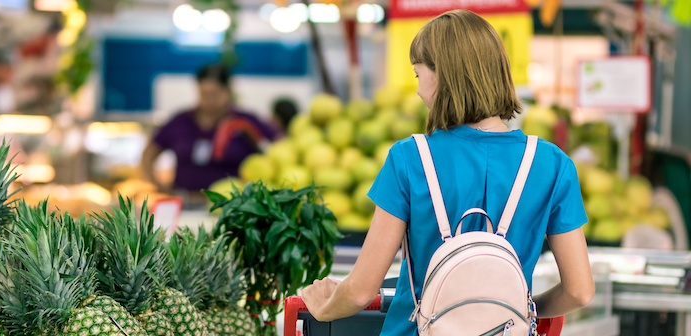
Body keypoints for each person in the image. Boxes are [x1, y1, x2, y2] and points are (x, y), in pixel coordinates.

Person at [299, 9, 595, 334]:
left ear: (441, 74)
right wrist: (516, 309)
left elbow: (359, 291)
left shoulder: (410, 158)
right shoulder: (552, 164)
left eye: (417, 74)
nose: (417, 90)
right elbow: (579, 291)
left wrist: (324, 308)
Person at [141, 64, 280, 195]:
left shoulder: (245, 122)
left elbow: (279, 145)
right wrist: (157, 186)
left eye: (214, 94)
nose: (208, 101)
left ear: (228, 91)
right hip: (185, 201)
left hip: (234, 205)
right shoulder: (180, 121)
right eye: (204, 94)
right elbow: (149, 154)